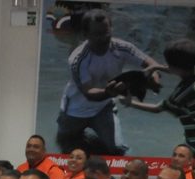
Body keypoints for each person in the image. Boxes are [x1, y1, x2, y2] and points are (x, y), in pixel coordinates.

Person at [55, 8, 161, 155]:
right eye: (97, 35)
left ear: (111, 30)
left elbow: (151, 65)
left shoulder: (123, 47)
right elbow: (89, 93)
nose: (103, 38)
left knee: (119, 150)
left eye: (106, 33)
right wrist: (108, 92)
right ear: (85, 35)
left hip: (104, 108)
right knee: (66, 151)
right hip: (74, 111)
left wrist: (154, 78)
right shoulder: (78, 59)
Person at [124, 39, 195, 157]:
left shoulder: (181, 96)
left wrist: (130, 102)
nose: (166, 66)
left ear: (175, 67)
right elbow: (177, 68)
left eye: (168, 64)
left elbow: (157, 108)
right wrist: (155, 67)